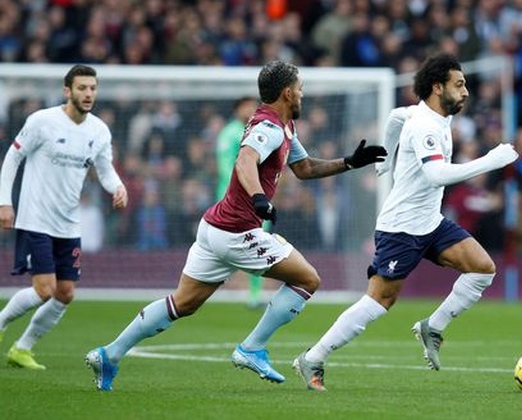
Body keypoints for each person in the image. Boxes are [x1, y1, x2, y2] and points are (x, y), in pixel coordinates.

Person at [85, 60, 387, 391]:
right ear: (287, 93)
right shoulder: (268, 127)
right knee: (307, 279)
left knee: (183, 303)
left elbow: (305, 168)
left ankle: (109, 354)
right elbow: (245, 160)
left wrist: (349, 162)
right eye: (300, 88)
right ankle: (252, 347)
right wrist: (259, 198)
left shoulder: (284, 127)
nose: (303, 94)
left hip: (214, 227)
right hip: (237, 231)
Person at [292, 53, 519, 391]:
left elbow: (396, 116)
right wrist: (490, 161)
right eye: (459, 85)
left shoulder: (427, 114)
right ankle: (314, 357)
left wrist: (387, 156)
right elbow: (436, 174)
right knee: (378, 302)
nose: (466, 91)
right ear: (437, 87)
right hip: (401, 228)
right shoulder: (425, 125)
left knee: (482, 268)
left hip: (430, 222)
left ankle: (433, 327)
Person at [0, 64, 128, 370]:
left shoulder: (98, 130)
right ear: (67, 91)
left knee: (65, 293)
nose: (88, 94)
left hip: (68, 223)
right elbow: (13, 157)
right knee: (44, 289)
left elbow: (105, 169)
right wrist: (4, 202)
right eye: (82, 88)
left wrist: (118, 186)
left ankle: (22, 348)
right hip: (35, 219)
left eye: (93, 88)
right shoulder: (42, 121)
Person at [216, 96, 266, 309]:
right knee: (222, 244)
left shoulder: (260, 132)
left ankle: (255, 294)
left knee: (259, 244)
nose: (250, 109)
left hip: (257, 198)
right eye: (246, 106)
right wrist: (242, 188)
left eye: (253, 106)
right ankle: (206, 284)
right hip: (232, 198)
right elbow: (225, 165)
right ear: (237, 109)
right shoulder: (229, 133)